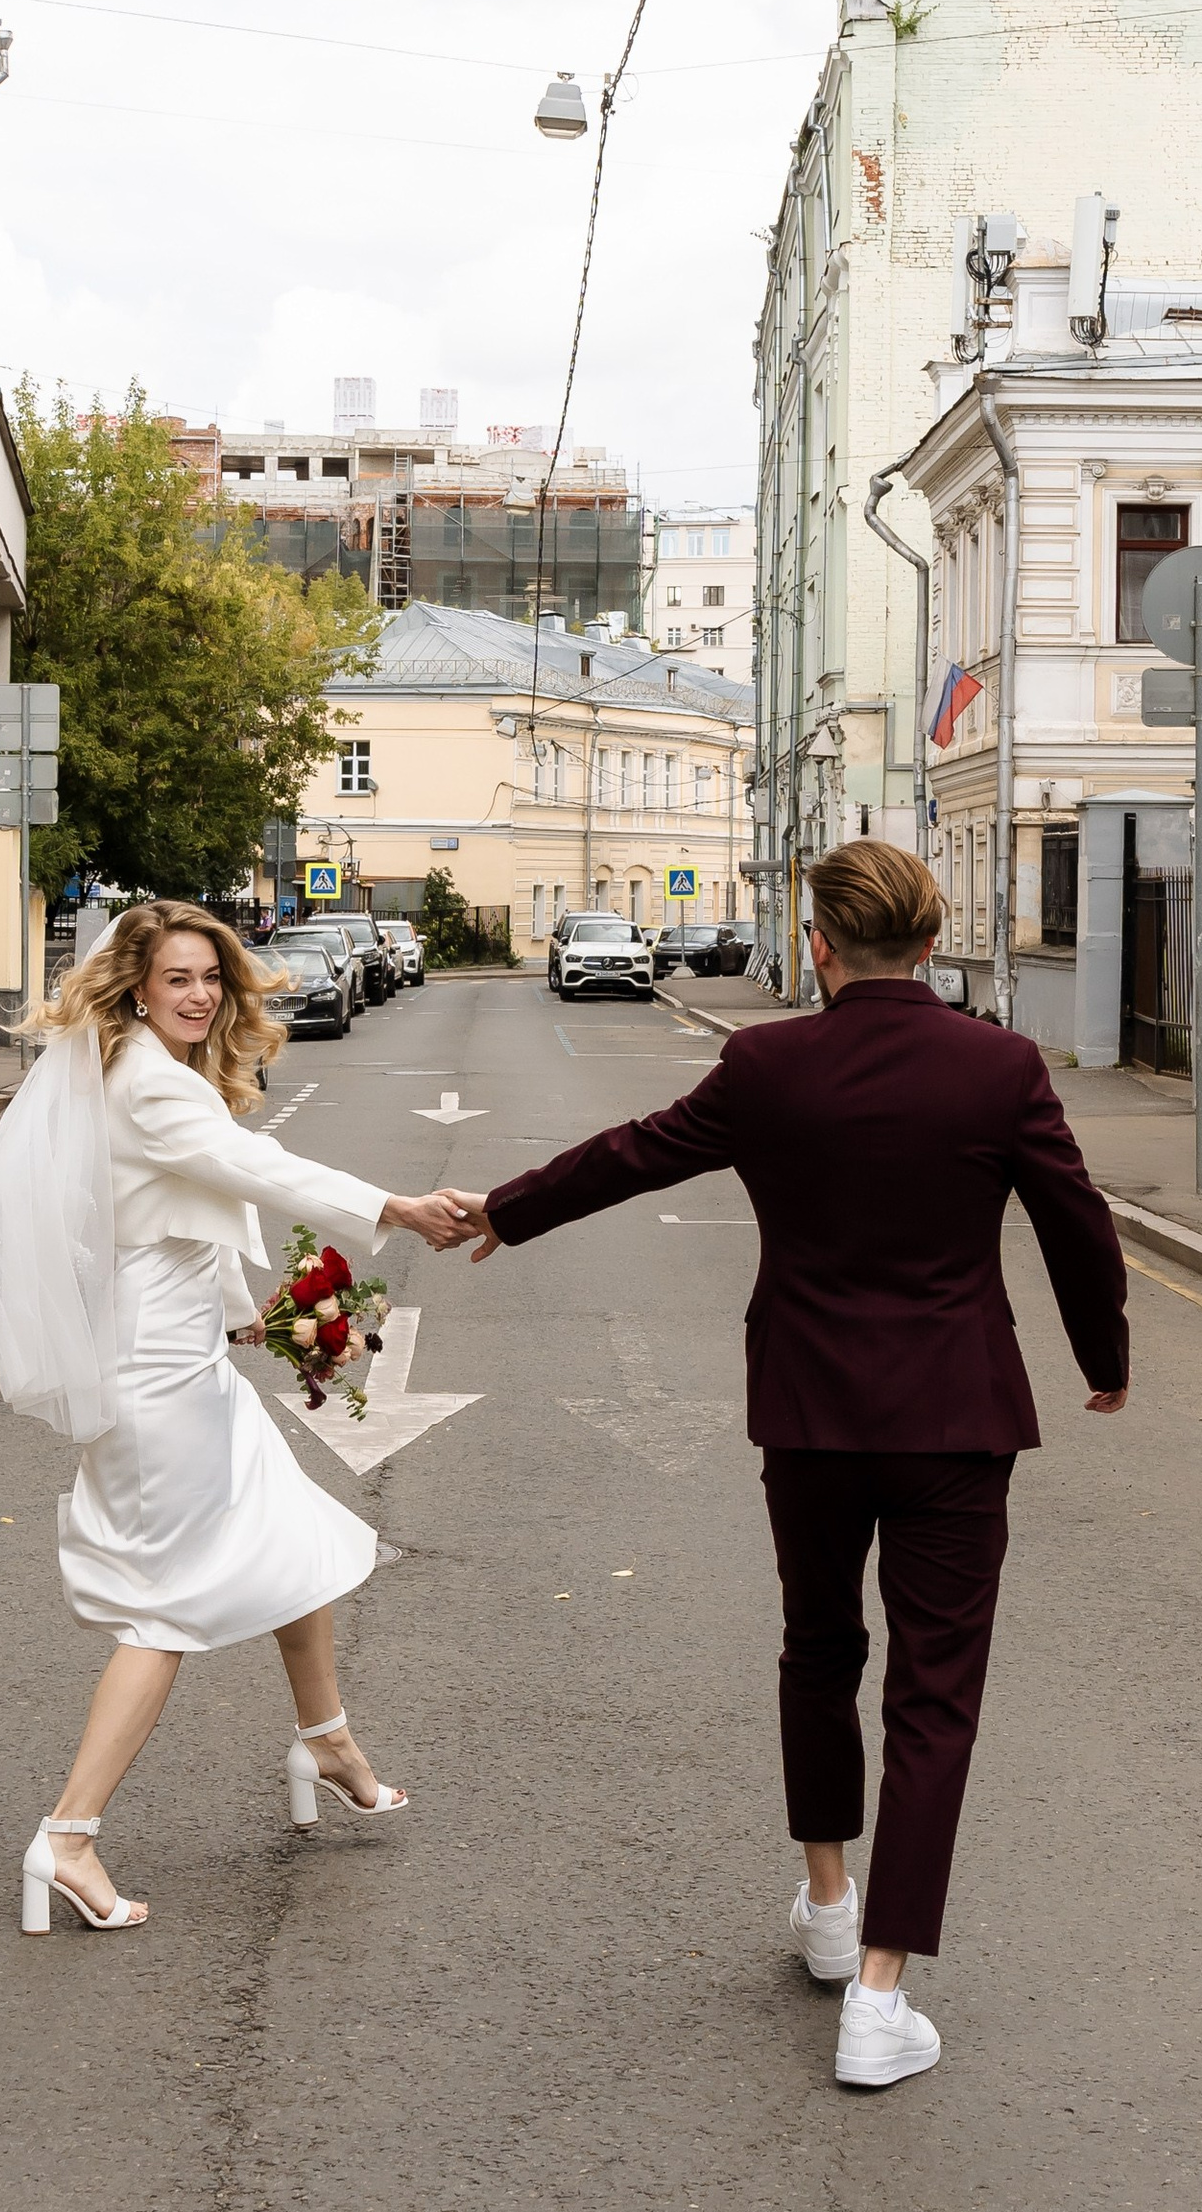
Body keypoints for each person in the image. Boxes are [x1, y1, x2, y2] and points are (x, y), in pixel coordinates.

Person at [453, 839, 1128, 2090]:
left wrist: (502, 1208)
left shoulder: (767, 1063)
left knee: (817, 1653)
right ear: (931, 945)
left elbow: (632, 1152)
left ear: (816, 945)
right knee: (934, 1699)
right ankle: (880, 1993)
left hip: (809, 1416)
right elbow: (1073, 1218)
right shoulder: (999, 1067)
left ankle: (827, 1901)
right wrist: (1104, 1354)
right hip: (955, 1424)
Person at [0, 898, 467, 1934]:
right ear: (135, 987)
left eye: (209, 979)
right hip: (154, 1379)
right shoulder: (146, 1077)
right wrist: (392, 1208)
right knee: (166, 1608)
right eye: (177, 979)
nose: (197, 996)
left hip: (181, 1352)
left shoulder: (155, 1073)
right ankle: (68, 1838)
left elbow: (179, 1219)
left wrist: (260, 1321)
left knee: (292, 1534)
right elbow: (256, 1171)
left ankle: (325, 1739)